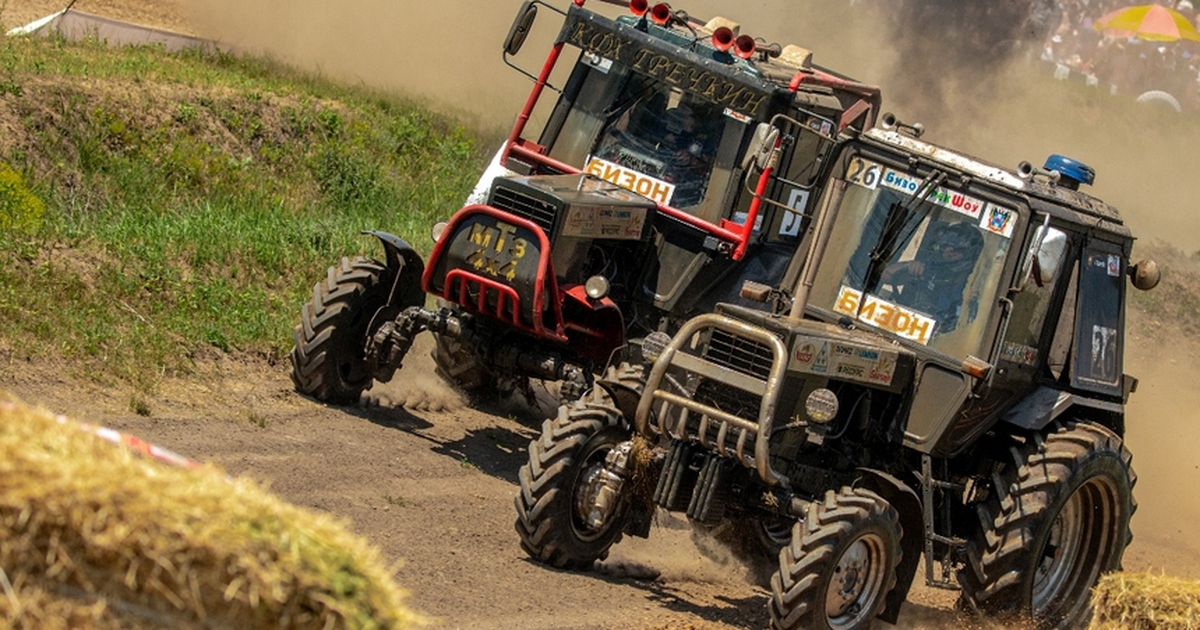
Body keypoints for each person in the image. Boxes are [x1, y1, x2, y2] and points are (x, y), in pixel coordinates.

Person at [880, 221, 983, 332]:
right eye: (944, 247)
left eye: (955, 250)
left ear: (969, 254)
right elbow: (886, 276)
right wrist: (910, 266)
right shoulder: (933, 267)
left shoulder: (970, 292)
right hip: (904, 325)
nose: (947, 253)